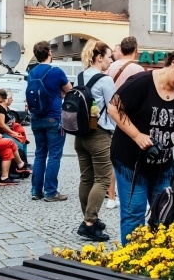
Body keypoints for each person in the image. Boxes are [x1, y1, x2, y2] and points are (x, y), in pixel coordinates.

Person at [108, 46, 174, 245]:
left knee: (165, 212)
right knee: (134, 213)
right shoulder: (142, 83)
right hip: (131, 162)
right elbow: (113, 108)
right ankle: (130, 261)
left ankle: (158, 259)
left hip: (162, 163)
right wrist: (136, 135)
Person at [74, 40, 116, 241]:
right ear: (99, 57)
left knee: (86, 179)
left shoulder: (80, 76)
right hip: (99, 135)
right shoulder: (105, 80)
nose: (110, 60)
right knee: (102, 179)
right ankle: (89, 223)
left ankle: (89, 217)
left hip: (80, 136)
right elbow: (114, 108)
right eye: (109, 57)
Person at [27, 41, 72, 202]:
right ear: (50, 53)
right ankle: (51, 192)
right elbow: (70, 91)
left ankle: (35, 191)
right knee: (54, 156)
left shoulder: (31, 72)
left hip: (36, 117)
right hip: (53, 117)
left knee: (40, 154)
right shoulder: (56, 71)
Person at [106, 36, 144, 209]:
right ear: (136, 50)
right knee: (131, 158)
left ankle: (111, 197)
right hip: (129, 118)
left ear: (121, 50)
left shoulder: (111, 66)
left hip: (111, 116)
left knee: (114, 158)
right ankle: (128, 194)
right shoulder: (138, 69)